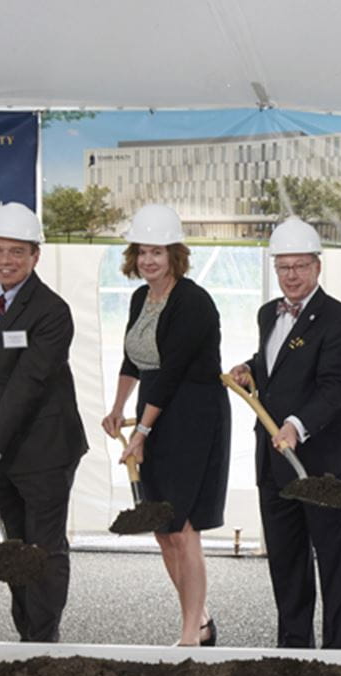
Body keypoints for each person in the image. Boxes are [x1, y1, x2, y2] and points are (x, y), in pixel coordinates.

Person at [0, 203, 87, 642]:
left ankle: (43, 646)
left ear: (35, 256)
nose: (4, 260)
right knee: (11, 546)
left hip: (44, 448)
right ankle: (26, 638)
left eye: (16, 252)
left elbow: (28, 385)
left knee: (42, 550)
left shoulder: (51, 312)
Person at [228, 217, 341, 649]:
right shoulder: (269, 313)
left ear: (317, 267)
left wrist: (295, 426)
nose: (291, 275)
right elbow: (278, 364)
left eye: (300, 266)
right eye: (283, 267)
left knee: (336, 566)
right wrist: (251, 369)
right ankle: (294, 650)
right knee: (287, 565)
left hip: (325, 466)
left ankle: (340, 657)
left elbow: (336, 388)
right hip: (275, 467)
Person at [101, 204, 230, 647]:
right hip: (155, 409)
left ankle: (190, 635)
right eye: (142, 252)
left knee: (183, 528)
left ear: (175, 254)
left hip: (193, 417)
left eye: (157, 252)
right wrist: (119, 408)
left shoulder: (193, 301)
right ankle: (201, 619)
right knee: (162, 530)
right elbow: (131, 358)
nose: (148, 260)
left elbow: (173, 371)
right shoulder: (141, 298)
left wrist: (142, 433)